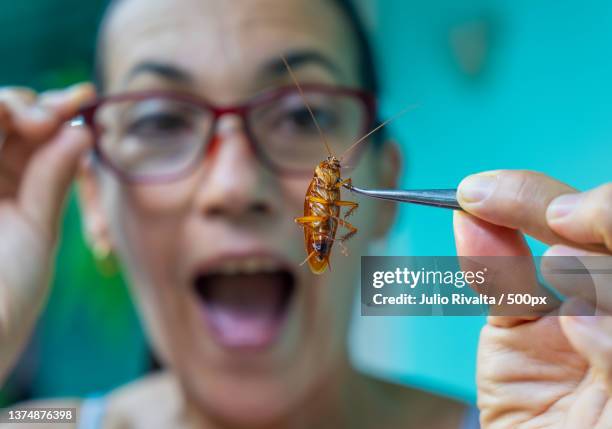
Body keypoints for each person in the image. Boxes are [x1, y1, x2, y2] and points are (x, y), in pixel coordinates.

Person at [0, 0, 610, 428]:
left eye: (298, 117)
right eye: (161, 120)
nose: (235, 185)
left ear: (386, 184)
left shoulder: (539, 417)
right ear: (94, 206)